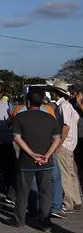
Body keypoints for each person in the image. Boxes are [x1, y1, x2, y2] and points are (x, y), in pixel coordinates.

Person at [12, 91, 61, 230]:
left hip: (26, 161)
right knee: (46, 193)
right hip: (46, 162)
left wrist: (32, 154)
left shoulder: (20, 117)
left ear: (28, 103)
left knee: (23, 191)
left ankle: (19, 220)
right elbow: (57, 138)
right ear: (42, 103)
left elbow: (17, 137)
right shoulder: (50, 118)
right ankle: (45, 222)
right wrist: (47, 154)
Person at [48, 79, 81, 213]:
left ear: (56, 93)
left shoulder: (63, 107)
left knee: (65, 175)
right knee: (71, 173)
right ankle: (76, 200)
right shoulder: (68, 106)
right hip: (71, 143)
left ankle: (68, 203)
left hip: (65, 144)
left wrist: (59, 144)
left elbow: (66, 126)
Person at [70, 85, 83, 205]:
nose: (71, 96)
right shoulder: (71, 104)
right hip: (77, 138)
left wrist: (79, 104)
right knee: (79, 166)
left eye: (73, 94)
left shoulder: (79, 104)